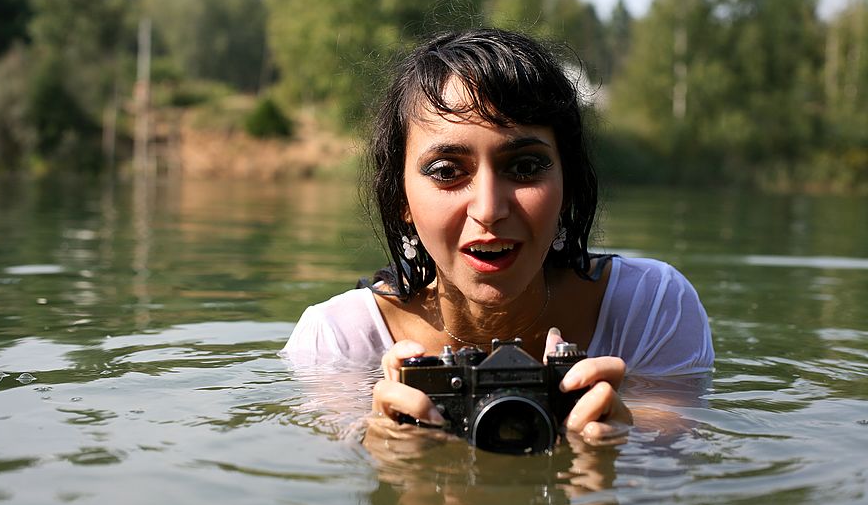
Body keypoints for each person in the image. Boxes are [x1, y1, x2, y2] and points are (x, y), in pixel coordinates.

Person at [283, 27, 714, 442]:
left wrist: (617, 451)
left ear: (569, 187)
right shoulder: (338, 341)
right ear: (402, 201)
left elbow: (672, 484)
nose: (489, 209)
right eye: (447, 172)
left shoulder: (651, 309)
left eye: (525, 167)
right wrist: (397, 466)